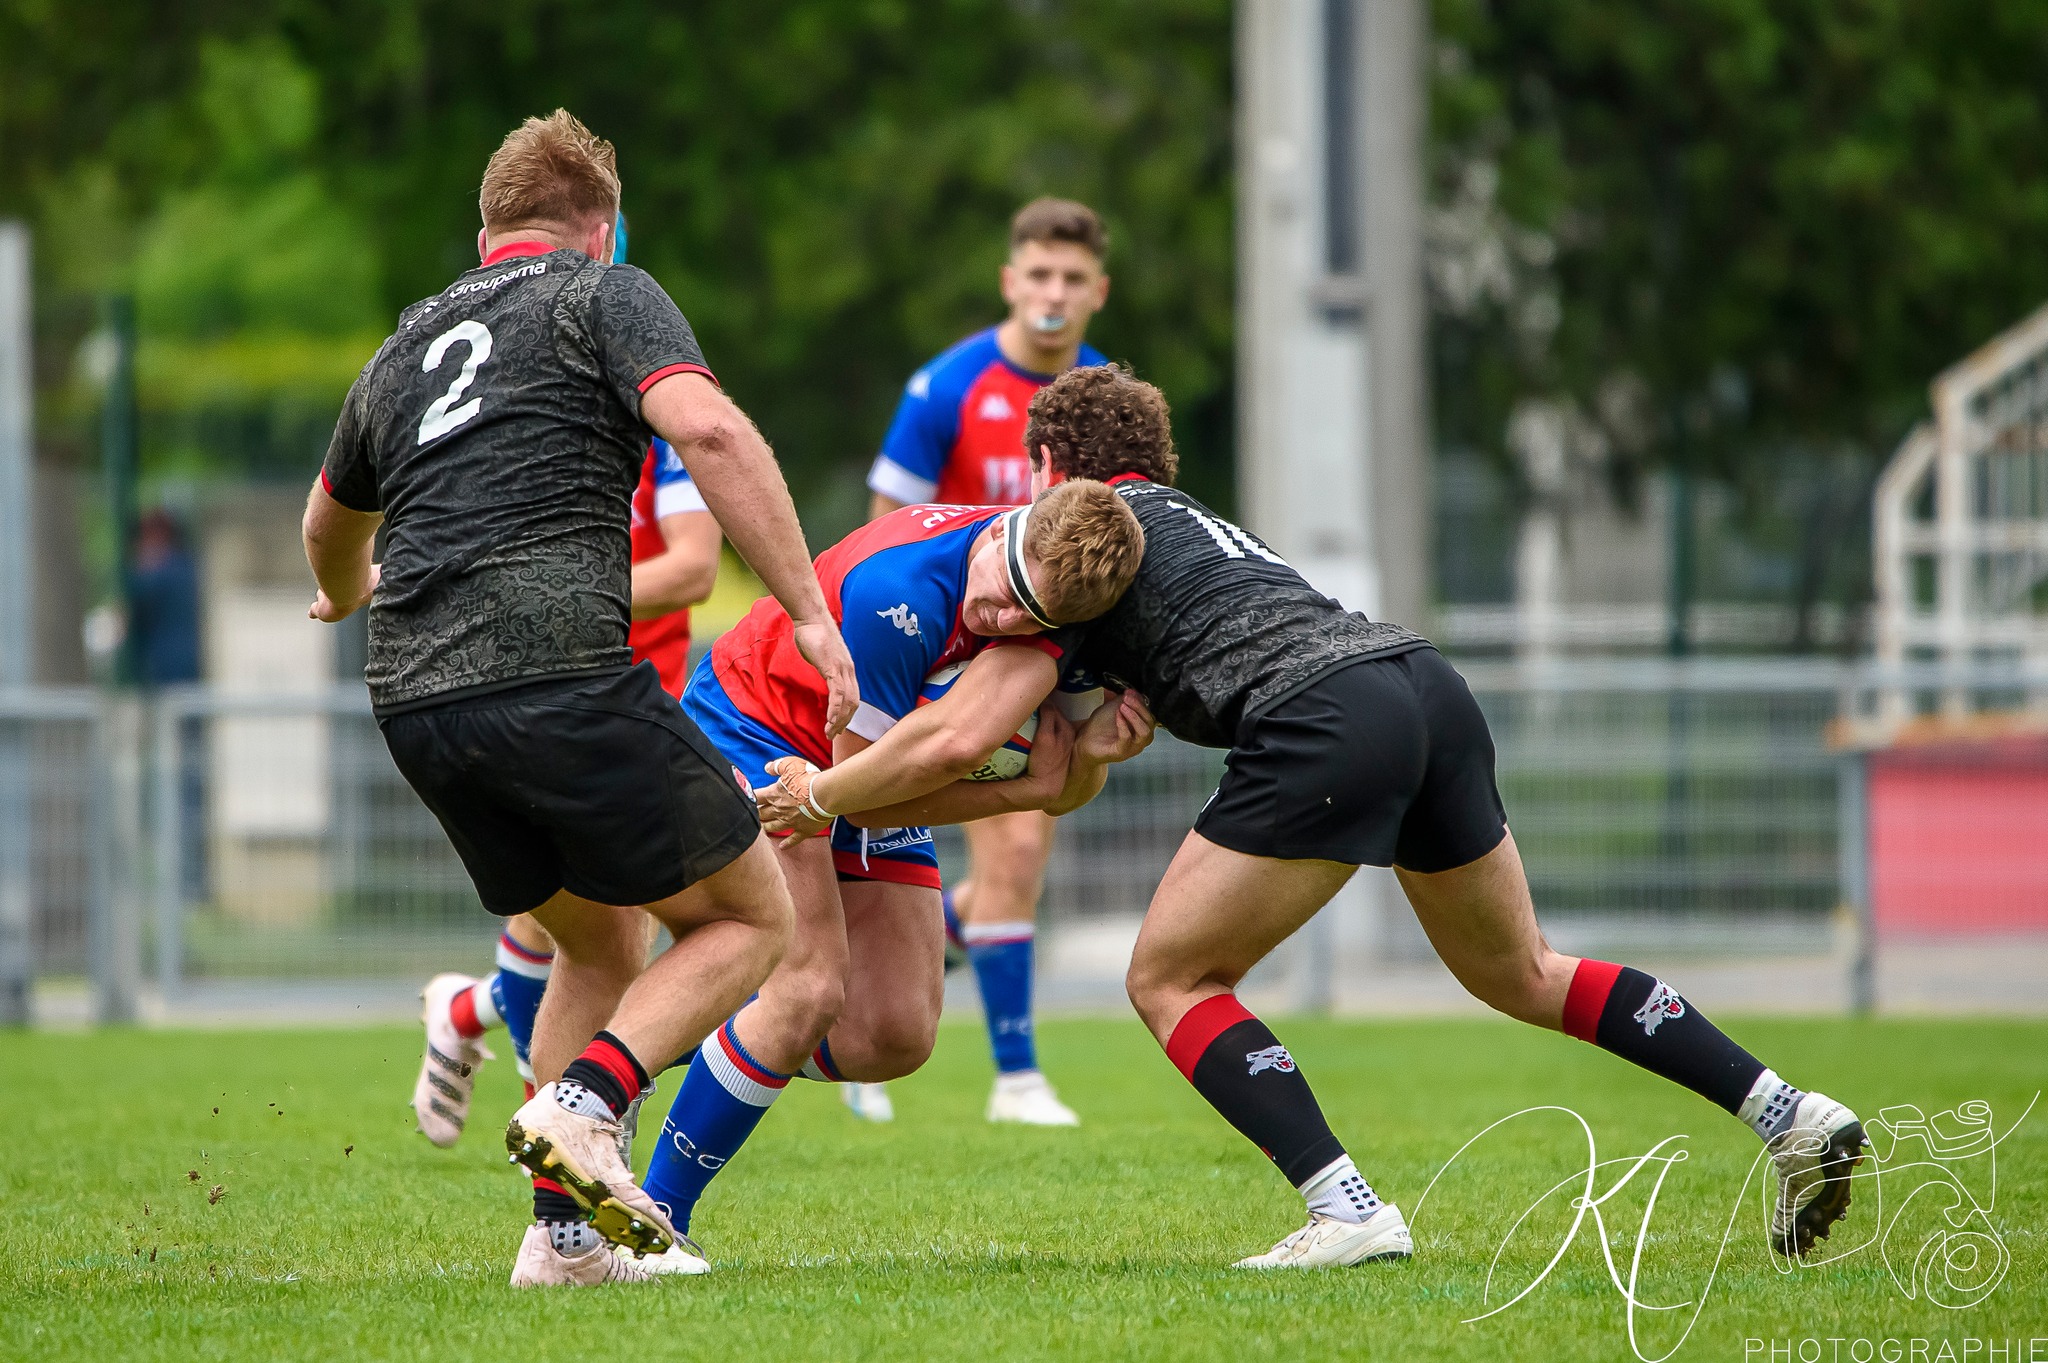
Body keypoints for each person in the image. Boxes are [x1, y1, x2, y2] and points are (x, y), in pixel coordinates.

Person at [766, 365, 1868, 1270]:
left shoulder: (1063, 559)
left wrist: (821, 792)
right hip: (1420, 683)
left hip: (1319, 717)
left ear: (1050, 473)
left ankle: (1343, 1207)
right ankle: (1785, 1110)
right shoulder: (1193, 518)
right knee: (1521, 968)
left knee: (1167, 977)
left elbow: (960, 731)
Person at [303, 109, 857, 1288]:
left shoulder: (405, 344)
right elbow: (706, 423)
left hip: (414, 702)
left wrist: (340, 593)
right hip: (552, 669)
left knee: (598, 943)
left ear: (488, 224)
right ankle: (588, 1106)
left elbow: (329, 524)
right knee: (756, 922)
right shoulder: (603, 293)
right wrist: (808, 610)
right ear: (598, 226)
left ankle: (563, 1245)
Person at [637, 484, 1150, 1245]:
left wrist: (1091, 755)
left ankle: (633, 1047)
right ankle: (650, 1218)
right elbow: (862, 801)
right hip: (761, 729)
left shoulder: (1054, 605)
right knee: (808, 987)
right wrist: (1021, 790)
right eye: (1007, 594)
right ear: (1005, 534)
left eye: (1030, 620)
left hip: (863, 765)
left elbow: (1063, 781)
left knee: (894, 1033)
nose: (1002, 621)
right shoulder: (896, 590)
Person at [410, 211, 724, 1149]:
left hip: (633, 687)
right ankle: (575, 1153)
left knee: (600, 930)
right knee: (641, 928)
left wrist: (542, 590)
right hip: (545, 692)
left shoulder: (656, 405)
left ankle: (475, 1021)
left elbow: (693, 567)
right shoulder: (507, 408)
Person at [854, 197, 1113, 1127]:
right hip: (950, 647)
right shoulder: (947, 386)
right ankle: (1016, 1077)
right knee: (1014, 841)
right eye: (1038, 274)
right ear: (1011, 280)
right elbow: (888, 520)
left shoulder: (1099, 402)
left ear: (1097, 292)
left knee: (1019, 851)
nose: (1053, 293)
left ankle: (860, 989)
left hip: (1050, 649)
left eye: (1072, 279)